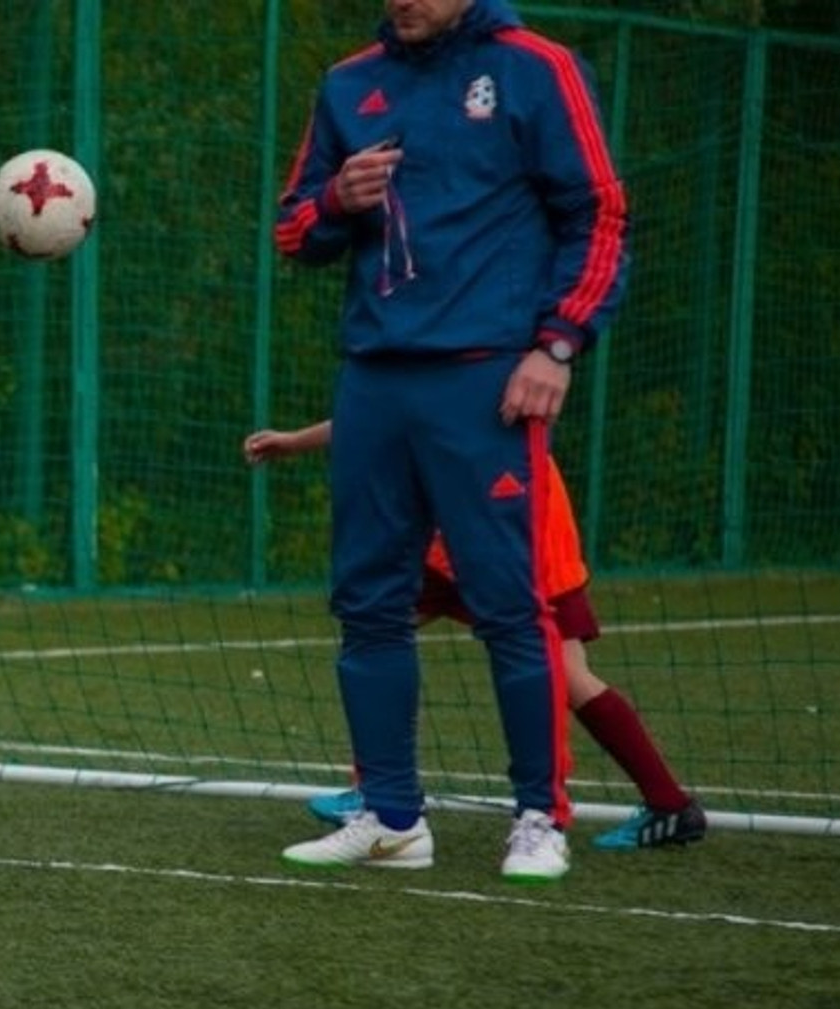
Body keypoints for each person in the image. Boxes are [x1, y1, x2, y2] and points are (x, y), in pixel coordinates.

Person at [271, 0, 629, 882]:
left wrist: (557, 344)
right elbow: (292, 229)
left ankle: (539, 816)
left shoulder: (535, 68)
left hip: (487, 381)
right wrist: (335, 199)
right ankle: (393, 817)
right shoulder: (349, 83)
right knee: (367, 605)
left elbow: (601, 215)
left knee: (511, 605)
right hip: (375, 381)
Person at [245, 421, 707, 850]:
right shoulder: (428, 361)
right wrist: (294, 442)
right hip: (456, 523)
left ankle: (616, 808)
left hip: (513, 520)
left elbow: (403, 412)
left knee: (563, 673)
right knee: (375, 633)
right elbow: (380, 409)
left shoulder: (485, 361)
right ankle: (378, 793)